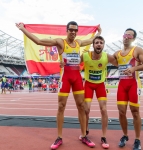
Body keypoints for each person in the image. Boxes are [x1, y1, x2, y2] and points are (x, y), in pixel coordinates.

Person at [16, 21, 101, 149]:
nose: (73, 32)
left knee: (81, 106)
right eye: (71, 29)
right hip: (65, 77)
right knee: (61, 106)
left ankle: (84, 135)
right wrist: (22, 29)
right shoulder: (60, 42)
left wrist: (99, 32)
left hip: (77, 78)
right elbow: (38, 41)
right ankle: (59, 137)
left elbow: (92, 40)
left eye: (75, 30)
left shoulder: (78, 43)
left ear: (77, 32)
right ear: (67, 30)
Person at [61, 36, 118, 149]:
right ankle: (85, 131)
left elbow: (119, 62)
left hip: (100, 85)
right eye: (97, 42)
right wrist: (62, 62)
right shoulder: (86, 55)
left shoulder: (107, 56)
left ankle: (104, 136)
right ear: (93, 45)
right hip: (88, 85)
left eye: (101, 43)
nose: (99, 44)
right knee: (86, 109)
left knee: (104, 109)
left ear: (103, 45)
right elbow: (73, 61)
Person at [113, 28, 143, 150]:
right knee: (121, 112)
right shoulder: (117, 53)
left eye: (130, 35)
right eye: (125, 34)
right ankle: (125, 135)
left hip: (134, 84)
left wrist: (134, 69)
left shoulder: (137, 50)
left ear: (133, 38)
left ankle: (138, 139)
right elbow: (104, 58)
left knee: (135, 112)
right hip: (122, 85)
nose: (126, 37)